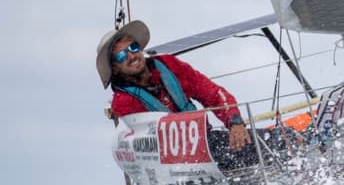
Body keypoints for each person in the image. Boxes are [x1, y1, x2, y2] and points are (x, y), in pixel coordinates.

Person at [96, 20, 252, 151]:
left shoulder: (169, 65)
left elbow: (212, 93)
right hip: (175, 164)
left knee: (266, 142)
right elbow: (143, 149)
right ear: (115, 68)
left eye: (134, 47)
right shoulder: (123, 103)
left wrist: (235, 122)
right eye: (122, 55)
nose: (132, 56)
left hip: (207, 142)